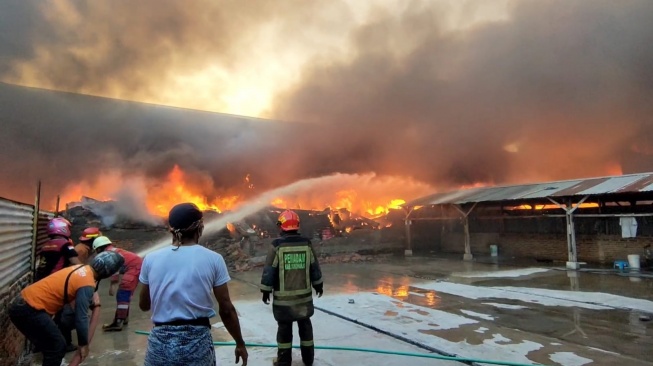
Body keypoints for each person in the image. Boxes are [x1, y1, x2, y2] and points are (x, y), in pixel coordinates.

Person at [139, 202, 248, 366]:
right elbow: (226, 308)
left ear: (171, 229)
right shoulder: (213, 259)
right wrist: (240, 343)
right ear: (200, 228)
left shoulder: (151, 259)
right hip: (197, 345)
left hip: (159, 346)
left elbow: (144, 305)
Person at [9, 251, 124, 366]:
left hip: (22, 305)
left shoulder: (81, 268)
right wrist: (83, 344)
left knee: (50, 345)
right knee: (57, 346)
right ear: (108, 273)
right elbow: (81, 317)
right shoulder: (87, 283)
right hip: (30, 309)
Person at [260, 210, 324, 366]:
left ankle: (283, 362)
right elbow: (314, 267)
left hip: (284, 302)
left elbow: (270, 270)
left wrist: (265, 290)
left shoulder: (277, 246)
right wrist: (318, 285)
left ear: (282, 226)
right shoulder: (306, 244)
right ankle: (308, 360)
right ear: (297, 226)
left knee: (284, 330)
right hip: (304, 301)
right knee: (306, 329)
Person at [92, 236, 143, 331]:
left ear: (99, 248)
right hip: (136, 267)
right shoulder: (113, 250)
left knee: (123, 293)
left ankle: (118, 322)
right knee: (125, 294)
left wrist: (113, 284)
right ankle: (124, 318)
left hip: (134, 269)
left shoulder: (109, 253)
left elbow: (114, 268)